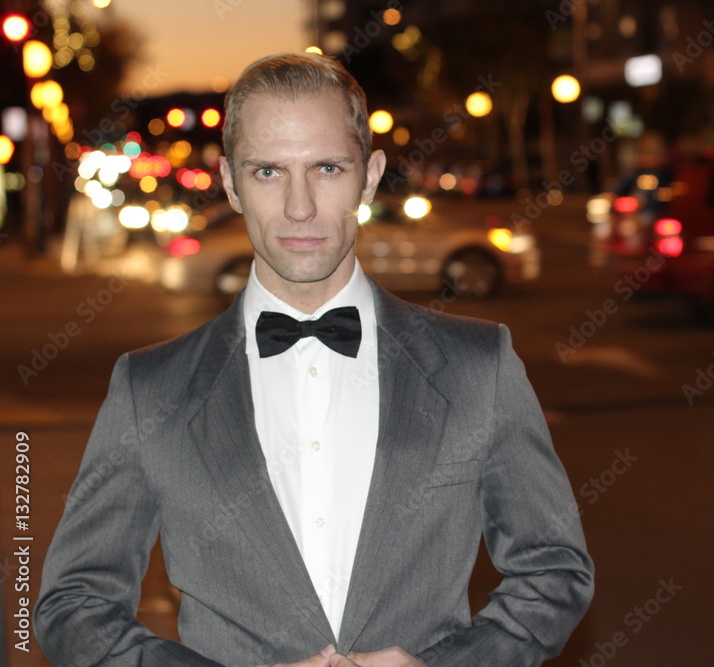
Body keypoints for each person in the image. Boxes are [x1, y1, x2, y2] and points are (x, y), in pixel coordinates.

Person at [35, 52, 593, 667]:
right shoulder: (149, 387)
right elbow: (73, 604)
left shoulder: (478, 365)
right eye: (269, 172)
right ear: (230, 182)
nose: (300, 207)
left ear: (370, 176)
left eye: (327, 168)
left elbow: (555, 570)